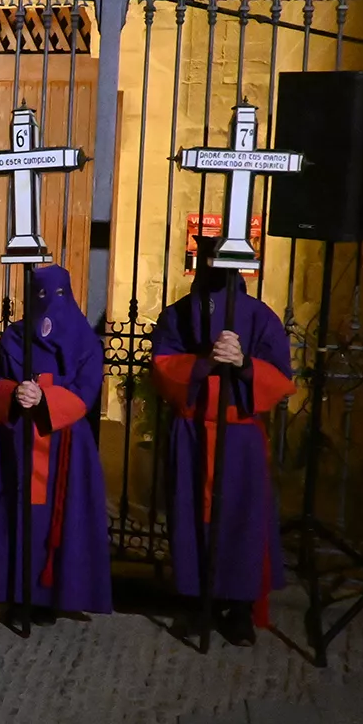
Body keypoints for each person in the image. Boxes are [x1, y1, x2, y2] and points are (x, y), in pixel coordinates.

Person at [149, 236, 295, 646]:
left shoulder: (260, 316)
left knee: (241, 519)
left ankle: (239, 608)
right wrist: (205, 363)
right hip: (192, 429)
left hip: (239, 434)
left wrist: (244, 364)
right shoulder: (180, 313)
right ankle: (198, 603)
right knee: (191, 515)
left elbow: (280, 376)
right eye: (209, 257)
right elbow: (162, 367)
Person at [0, 264, 112, 620]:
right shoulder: (15, 336)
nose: (49, 304)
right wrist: (14, 392)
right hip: (18, 439)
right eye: (41, 295)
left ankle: (51, 596)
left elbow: (87, 389)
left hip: (65, 443)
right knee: (14, 513)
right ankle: (18, 593)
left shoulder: (85, 339)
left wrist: (46, 398)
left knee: (64, 515)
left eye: (58, 295)